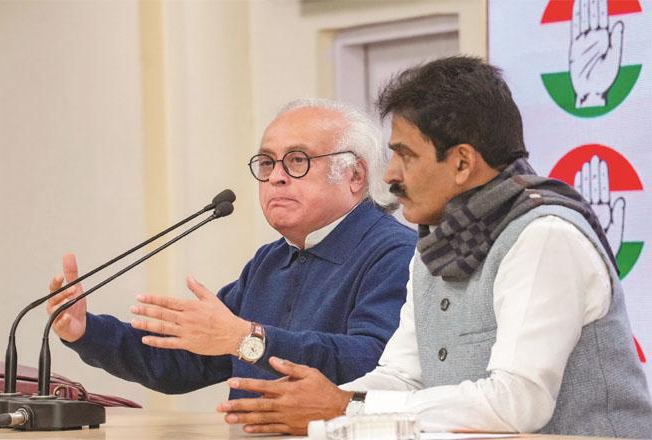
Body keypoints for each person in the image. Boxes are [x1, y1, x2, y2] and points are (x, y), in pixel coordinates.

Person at [216, 57, 652, 438]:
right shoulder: (438, 241)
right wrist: (320, 403)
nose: (389, 176)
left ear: (462, 162)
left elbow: (517, 402)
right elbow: (404, 376)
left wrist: (344, 407)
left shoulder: (544, 236)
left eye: (406, 155)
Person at [46, 99, 416, 399]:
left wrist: (248, 339)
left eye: (298, 160)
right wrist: (85, 331)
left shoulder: (396, 254)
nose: (275, 176)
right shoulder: (269, 262)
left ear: (355, 176)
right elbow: (184, 362)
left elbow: (375, 364)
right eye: (268, 162)